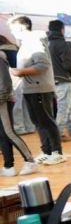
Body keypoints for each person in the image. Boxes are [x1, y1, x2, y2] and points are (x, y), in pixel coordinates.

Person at [9, 15, 65, 165]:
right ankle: (47, 151)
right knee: (38, 122)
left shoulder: (34, 42)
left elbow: (42, 65)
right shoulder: (26, 43)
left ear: (20, 27)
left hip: (40, 88)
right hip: (30, 89)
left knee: (46, 121)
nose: (12, 33)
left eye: (13, 29)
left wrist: (19, 72)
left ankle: (56, 152)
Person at [0, 35, 37, 176]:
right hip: (3, 98)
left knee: (9, 133)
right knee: (3, 134)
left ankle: (30, 160)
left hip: (2, 100)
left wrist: (1, 98)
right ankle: (8, 167)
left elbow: (5, 82)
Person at [46, 19, 71, 141]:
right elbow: (67, 65)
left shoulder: (48, 43)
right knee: (64, 107)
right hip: (63, 79)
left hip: (53, 79)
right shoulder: (62, 43)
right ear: (62, 29)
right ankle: (59, 134)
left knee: (69, 105)